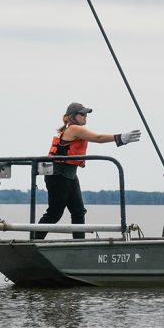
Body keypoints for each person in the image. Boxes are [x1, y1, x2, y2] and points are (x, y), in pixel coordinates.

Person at [34, 102, 141, 240]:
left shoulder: (73, 130)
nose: (85, 117)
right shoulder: (74, 129)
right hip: (59, 175)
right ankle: (33, 241)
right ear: (73, 116)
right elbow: (98, 138)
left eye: (86, 114)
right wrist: (120, 138)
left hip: (70, 175)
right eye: (82, 114)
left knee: (78, 211)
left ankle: (79, 244)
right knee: (54, 214)